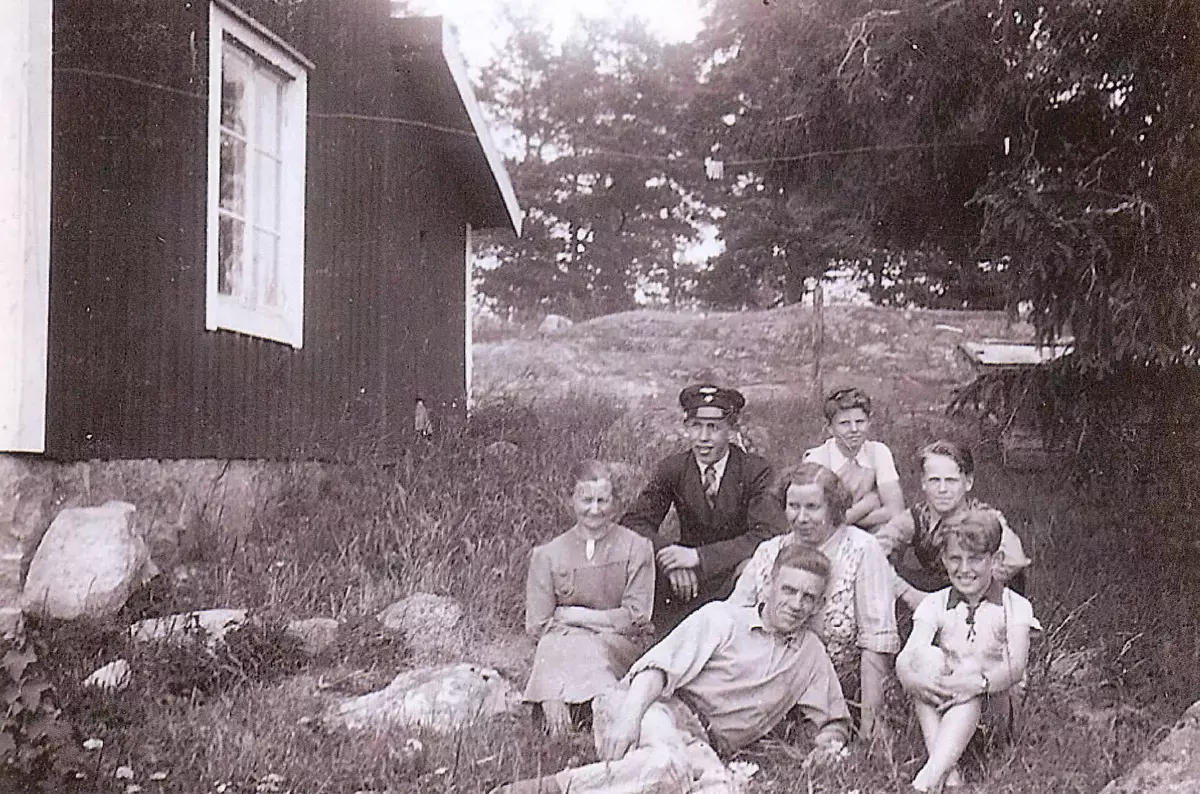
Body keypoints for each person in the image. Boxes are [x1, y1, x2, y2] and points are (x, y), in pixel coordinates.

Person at [491, 543, 851, 794]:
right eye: (789, 590)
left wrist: (826, 746)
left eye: (808, 597)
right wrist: (628, 721)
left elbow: (834, 721)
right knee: (666, 765)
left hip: (703, 745)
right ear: (769, 586)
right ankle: (542, 789)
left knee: (720, 790)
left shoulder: (811, 654)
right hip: (650, 708)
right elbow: (656, 671)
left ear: (819, 603)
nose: (797, 604)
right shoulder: (722, 619)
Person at [728, 462, 899, 741]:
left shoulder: (862, 550)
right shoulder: (769, 552)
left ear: (833, 507)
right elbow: (732, 619)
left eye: (812, 507)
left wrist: (872, 722)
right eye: (793, 506)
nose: (801, 518)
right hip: (764, 680)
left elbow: (876, 641)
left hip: (837, 689)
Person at [621, 384, 787, 632]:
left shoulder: (754, 471)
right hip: (683, 582)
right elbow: (634, 523)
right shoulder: (674, 468)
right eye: (695, 426)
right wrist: (670, 558)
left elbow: (769, 533)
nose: (703, 437)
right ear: (686, 426)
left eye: (714, 427)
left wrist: (699, 558)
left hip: (732, 572)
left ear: (731, 429)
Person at [896, 509, 1040, 793]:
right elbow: (909, 655)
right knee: (924, 659)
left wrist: (975, 683)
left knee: (970, 672)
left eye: (975, 559)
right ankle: (949, 777)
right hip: (946, 705)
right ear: (943, 559)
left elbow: (1015, 667)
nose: (964, 569)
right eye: (955, 559)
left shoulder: (1014, 606)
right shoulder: (935, 603)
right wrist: (911, 678)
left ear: (995, 560)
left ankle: (927, 780)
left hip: (993, 712)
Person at [523, 460, 656, 736]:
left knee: (575, 644)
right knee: (555, 642)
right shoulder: (547, 555)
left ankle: (566, 703)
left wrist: (576, 616)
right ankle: (561, 711)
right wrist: (599, 623)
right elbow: (538, 625)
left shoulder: (637, 548)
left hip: (617, 649)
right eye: (586, 500)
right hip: (563, 647)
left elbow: (636, 617)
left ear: (615, 502)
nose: (595, 510)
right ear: (571, 499)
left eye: (602, 501)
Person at [875, 440, 1031, 611]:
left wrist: (968, 587)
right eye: (934, 480)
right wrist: (907, 593)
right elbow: (872, 550)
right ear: (923, 483)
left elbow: (1016, 560)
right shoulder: (915, 518)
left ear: (968, 482)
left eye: (951, 480)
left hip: (976, 593)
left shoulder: (984, 517)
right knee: (885, 567)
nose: (942, 489)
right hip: (936, 586)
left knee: (1011, 576)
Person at [803, 386, 905, 530]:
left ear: (869, 423)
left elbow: (896, 511)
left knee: (890, 532)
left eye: (860, 422)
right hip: (828, 537)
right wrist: (868, 504)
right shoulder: (817, 459)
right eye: (844, 423)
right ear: (830, 428)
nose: (854, 430)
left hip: (871, 532)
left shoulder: (878, 451)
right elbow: (820, 521)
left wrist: (848, 521)